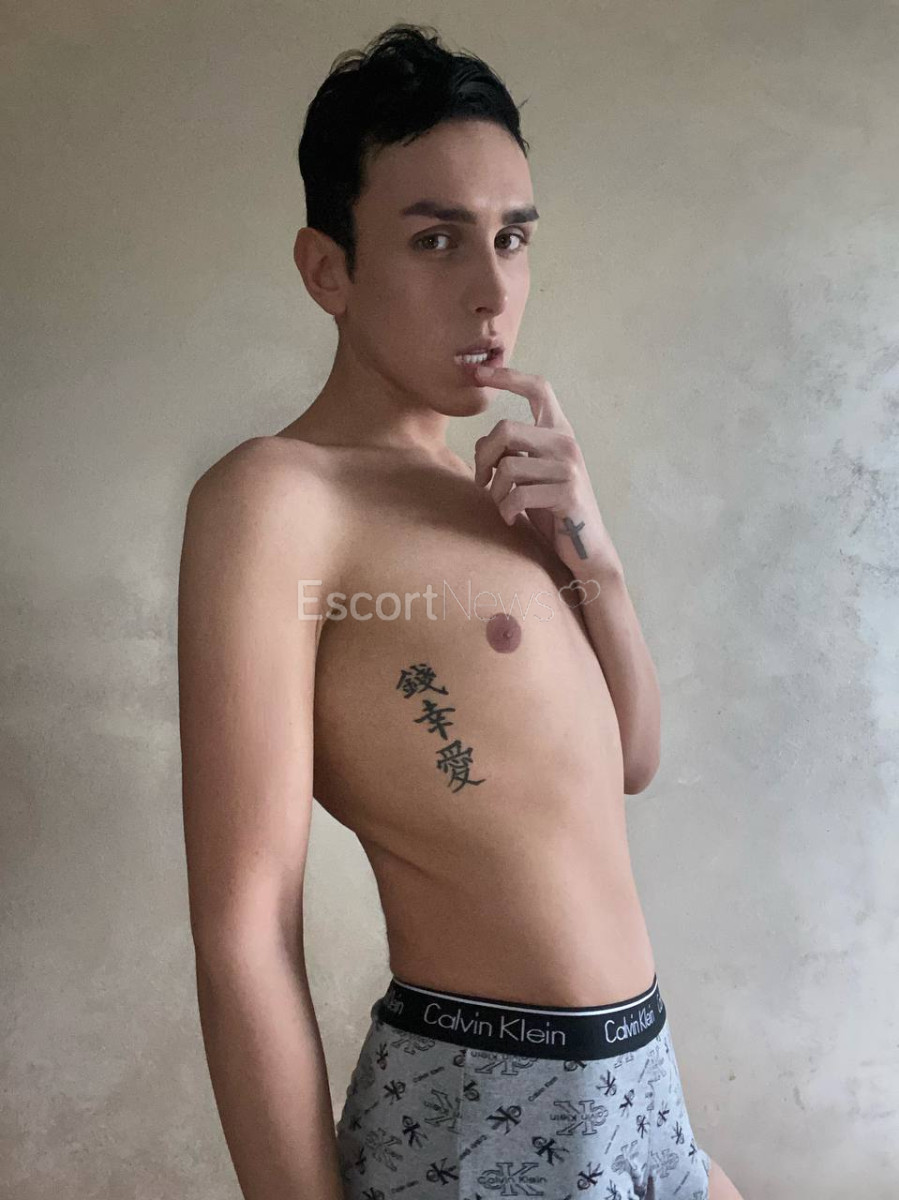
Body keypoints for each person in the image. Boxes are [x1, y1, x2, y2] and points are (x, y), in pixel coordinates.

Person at [177, 22, 745, 1200]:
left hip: (641, 1087)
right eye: (435, 239)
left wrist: (591, 552)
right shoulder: (277, 499)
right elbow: (243, 934)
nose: (491, 291)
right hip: (480, 1102)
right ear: (327, 270)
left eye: (511, 238)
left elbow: (629, 761)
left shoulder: (499, 495)